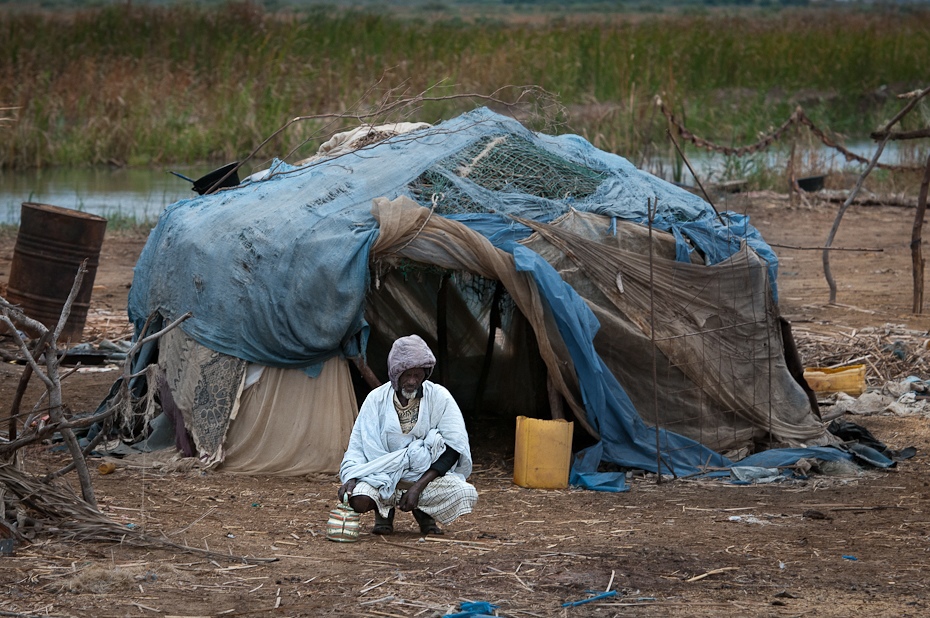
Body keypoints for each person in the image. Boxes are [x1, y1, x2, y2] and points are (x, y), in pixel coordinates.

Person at [338, 334, 478, 535]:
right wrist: (351, 479)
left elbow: (453, 448)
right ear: (395, 374)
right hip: (381, 477)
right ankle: (383, 513)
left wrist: (417, 487)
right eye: (407, 375)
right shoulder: (375, 400)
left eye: (418, 375)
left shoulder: (439, 397)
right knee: (358, 500)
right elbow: (359, 444)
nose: (412, 381)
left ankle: (424, 514)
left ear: (426, 373)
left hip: (424, 480)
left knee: (464, 493)